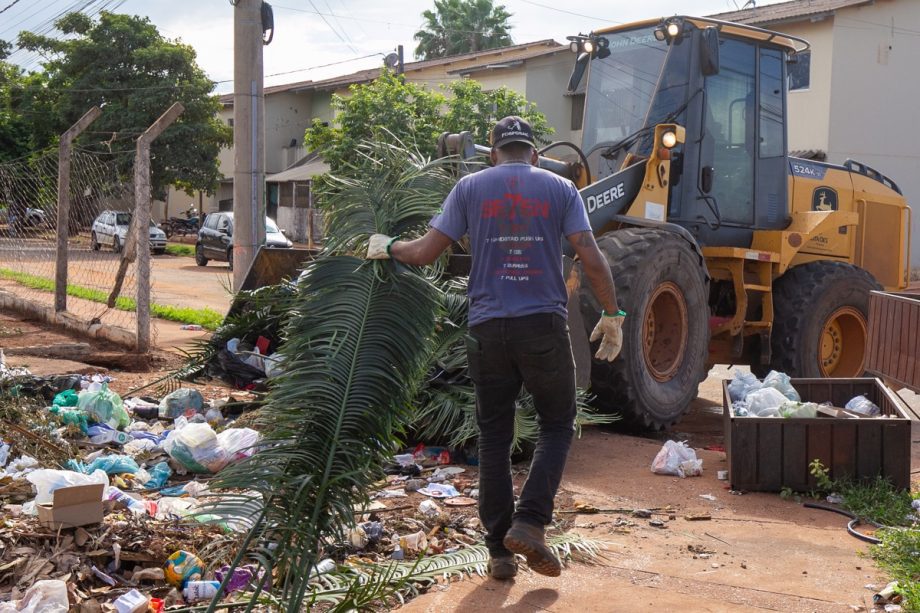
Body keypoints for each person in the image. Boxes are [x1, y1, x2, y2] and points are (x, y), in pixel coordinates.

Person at [367, 116, 623, 580]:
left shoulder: (469, 187)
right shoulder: (560, 188)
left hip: (487, 329)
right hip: (543, 327)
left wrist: (389, 247)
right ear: (536, 154)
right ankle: (529, 523)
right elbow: (589, 252)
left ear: (492, 153)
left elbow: (425, 253)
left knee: (495, 437)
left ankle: (499, 553)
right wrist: (612, 314)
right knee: (557, 426)